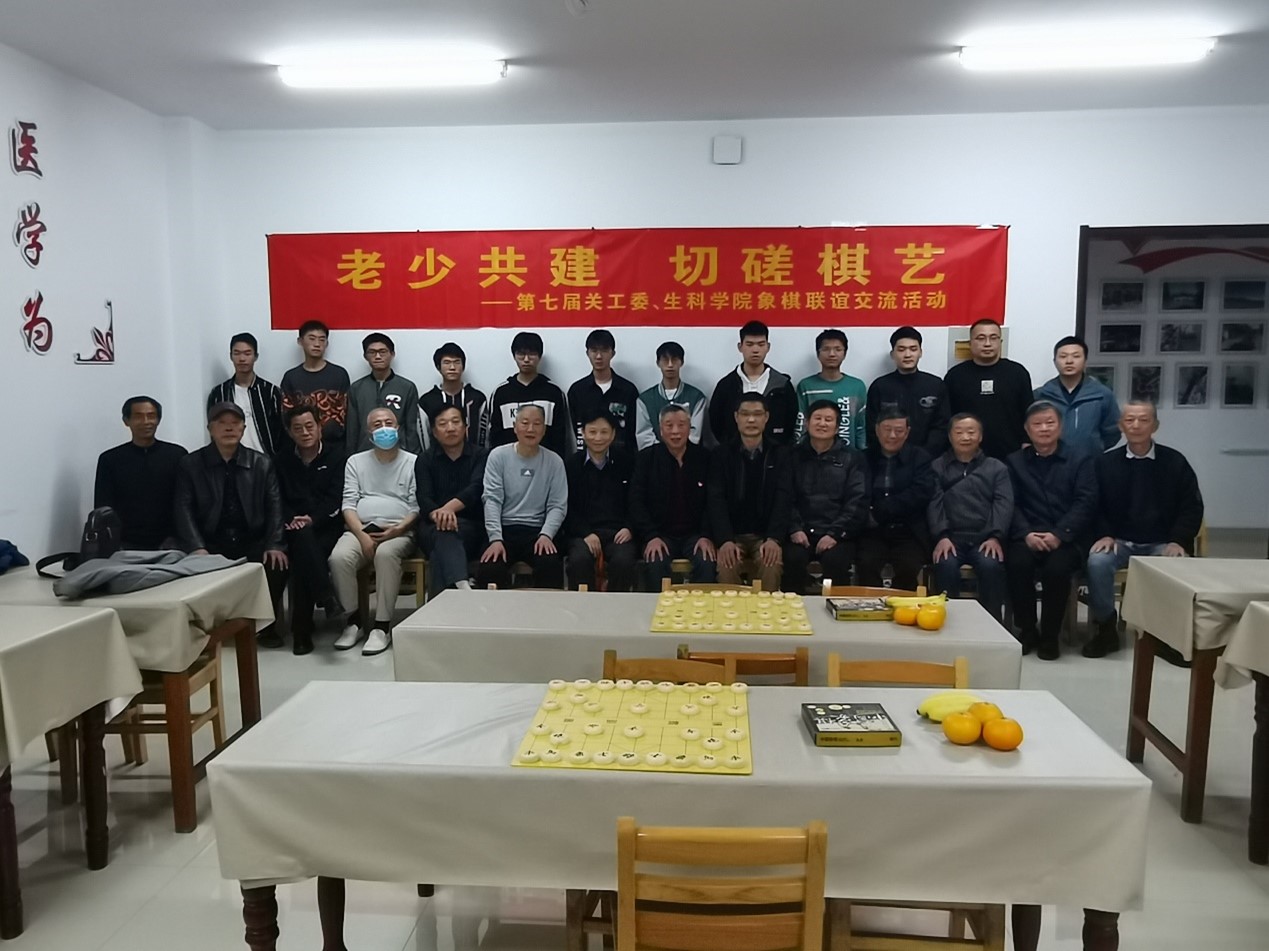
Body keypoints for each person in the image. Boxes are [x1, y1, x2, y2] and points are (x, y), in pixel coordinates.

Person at [1083, 401, 1204, 659]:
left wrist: (1178, 540)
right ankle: (1106, 628)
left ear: (1155, 425)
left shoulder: (1175, 462)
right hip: (1119, 541)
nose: (1136, 425)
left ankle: (1165, 636)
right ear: (1121, 425)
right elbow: (1093, 505)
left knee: (1178, 566)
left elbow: (1191, 507)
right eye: (1129, 420)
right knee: (1097, 562)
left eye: (1143, 420)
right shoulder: (1104, 463)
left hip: (1163, 542)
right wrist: (1104, 533)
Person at [174, 402, 287, 646]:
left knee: (277, 563)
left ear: (243, 429)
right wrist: (196, 546)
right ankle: (212, 628)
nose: (229, 428)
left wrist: (274, 543)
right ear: (210, 429)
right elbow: (183, 508)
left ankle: (266, 627)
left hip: (251, 539)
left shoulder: (261, 463)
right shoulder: (191, 464)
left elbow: (275, 506)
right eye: (222, 423)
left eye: (235, 423)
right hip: (211, 540)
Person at [1005, 400, 1098, 660]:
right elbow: (1010, 502)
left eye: (1050, 423)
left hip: (1066, 538)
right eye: (1037, 424)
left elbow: (1086, 501)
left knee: (1056, 570)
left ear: (1060, 426)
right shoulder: (1014, 462)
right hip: (1027, 535)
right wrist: (1026, 533)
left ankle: (1049, 636)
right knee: (1017, 563)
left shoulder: (1080, 459)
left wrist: (1059, 534)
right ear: (1027, 429)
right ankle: (1027, 630)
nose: (1044, 428)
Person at [329, 407, 419, 656]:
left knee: (385, 555)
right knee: (339, 558)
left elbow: (416, 506)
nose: (384, 428)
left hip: (399, 531)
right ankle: (354, 621)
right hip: (360, 529)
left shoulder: (413, 462)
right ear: (369, 433)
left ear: (398, 428)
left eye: (389, 423)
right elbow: (348, 504)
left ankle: (381, 627)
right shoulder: (355, 462)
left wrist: (398, 529)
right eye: (377, 425)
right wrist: (361, 535)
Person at [928, 413, 1013, 624]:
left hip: (984, 538)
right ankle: (946, 623)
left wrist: (995, 536)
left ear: (980, 436)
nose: (965, 437)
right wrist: (941, 535)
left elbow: (1003, 503)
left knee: (991, 566)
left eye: (971, 432)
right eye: (959, 432)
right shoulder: (937, 467)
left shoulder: (997, 468)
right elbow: (933, 503)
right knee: (945, 565)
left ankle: (991, 626)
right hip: (951, 538)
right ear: (950, 436)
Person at [274, 405, 345, 655]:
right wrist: (292, 520)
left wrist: (312, 519)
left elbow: (335, 498)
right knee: (303, 544)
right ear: (289, 432)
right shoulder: (281, 459)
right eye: (298, 428)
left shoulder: (337, 456)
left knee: (304, 555)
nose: (305, 432)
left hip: (325, 527)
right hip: (292, 528)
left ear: (319, 427)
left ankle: (301, 632)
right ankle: (325, 597)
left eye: (309, 426)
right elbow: (276, 498)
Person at [707, 394, 793, 591]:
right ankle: (731, 612)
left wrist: (774, 539)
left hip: (764, 535)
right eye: (745, 414)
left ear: (767, 417)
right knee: (726, 565)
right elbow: (715, 500)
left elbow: (783, 498)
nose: (751, 420)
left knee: (771, 564)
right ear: (736, 417)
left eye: (757, 414)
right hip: (732, 535)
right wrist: (725, 540)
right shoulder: (721, 454)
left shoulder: (780, 453)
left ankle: (766, 611)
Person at [478, 404, 568, 589]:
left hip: (538, 531)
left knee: (550, 564)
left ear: (544, 429)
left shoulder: (555, 461)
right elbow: (492, 500)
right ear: (514, 427)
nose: (530, 429)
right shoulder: (498, 456)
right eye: (525, 423)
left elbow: (557, 505)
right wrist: (495, 538)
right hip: (504, 529)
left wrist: (546, 534)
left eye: (537, 424)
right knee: (490, 567)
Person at [784, 400, 867, 593]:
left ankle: (834, 609)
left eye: (828, 420)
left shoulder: (853, 458)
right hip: (799, 533)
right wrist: (794, 528)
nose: (822, 424)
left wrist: (834, 534)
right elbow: (784, 497)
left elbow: (857, 501)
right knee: (792, 560)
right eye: (817, 418)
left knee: (836, 562)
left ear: (837, 427)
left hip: (837, 534)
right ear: (807, 423)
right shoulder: (791, 456)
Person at [630, 405, 717, 587]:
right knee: (655, 562)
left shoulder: (705, 458)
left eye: (681, 425)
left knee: (707, 562)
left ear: (690, 427)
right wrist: (651, 536)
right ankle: (659, 606)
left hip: (695, 535)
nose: (675, 431)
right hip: (660, 534)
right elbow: (636, 501)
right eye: (669, 425)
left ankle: (698, 606)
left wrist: (706, 535)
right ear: (661, 430)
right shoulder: (647, 458)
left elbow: (713, 502)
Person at [94, 396, 187, 550]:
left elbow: (186, 501)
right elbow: (103, 507)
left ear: (158, 420)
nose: (146, 422)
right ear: (126, 421)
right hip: (125, 544)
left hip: (171, 543)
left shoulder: (177, 455)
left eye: (151, 416)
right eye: (138, 416)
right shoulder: (110, 459)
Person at [857, 410, 936, 591]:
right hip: (872, 530)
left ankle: (902, 607)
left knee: (908, 567)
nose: (892, 435)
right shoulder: (863, 458)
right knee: (866, 564)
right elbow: (858, 492)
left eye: (899, 430)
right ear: (877, 430)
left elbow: (920, 493)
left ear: (907, 432)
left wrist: (881, 510)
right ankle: (870, 607)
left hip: (908, 529)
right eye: (887, 429)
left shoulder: (920, 457)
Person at [416, 404, 487, 597]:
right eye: (443, 423)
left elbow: (476, 488)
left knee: (439, 553)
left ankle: (444, 601)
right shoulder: (425, 459)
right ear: (434, 432)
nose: (450, 428)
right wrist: (439, 515)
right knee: (443, 533)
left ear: (465, 427)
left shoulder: (481, 455)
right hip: (432, 526)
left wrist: (448, 509)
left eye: (456, 422)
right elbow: (423, 497)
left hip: (471, 526)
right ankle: (462, 585)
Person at [564, 410, 637, 592]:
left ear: (613, 434)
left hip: (618, 532)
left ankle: (615, 605)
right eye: (592, 432)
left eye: (604, 432)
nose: (598, 438)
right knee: (579, 560)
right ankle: (582, 607)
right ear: (583, 433)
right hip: (583, 534)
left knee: (624, 561)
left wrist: (629, 527)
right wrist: (586, 533)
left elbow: (636, 500)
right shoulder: (571, 465)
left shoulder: (627, 463)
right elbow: (566, 507)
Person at [943, 318, 1033, 460]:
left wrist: (1027, 442)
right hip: (966, 455)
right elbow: (947, 417)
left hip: (1011, 454)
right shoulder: (955, 376)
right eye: (980, 338)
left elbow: (1028, 412)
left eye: (993, 338)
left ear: (1000, 342)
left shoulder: (1017, 373)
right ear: (970, 343)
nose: (987, 344)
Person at [708, 320, 797, 446]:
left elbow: (791, 421)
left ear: (768, 347)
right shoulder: (726, 385)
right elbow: (716, 422)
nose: (755, 350)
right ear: (740, 347)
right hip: (734, 454)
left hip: (775, 454)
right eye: (749, 344)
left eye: (761, 344)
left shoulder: (782, 385)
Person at [483, 331, 571, 457]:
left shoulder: (554, 393)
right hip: (508, 463)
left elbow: (561, 437)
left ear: (539, 356)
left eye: (532, 354)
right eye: (521, 354)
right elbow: (494, 436)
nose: (526, 359)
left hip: (545, 463)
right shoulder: (501, 393)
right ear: (514, 356)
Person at [866, 326, 951, 457]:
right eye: (901, 349)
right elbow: (872, 427)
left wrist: (924, 455)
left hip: (928, 459)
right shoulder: (880, 386)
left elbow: (942, 426)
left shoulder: (935, 385)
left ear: (920, 352)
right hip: (888, 458)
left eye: (913, 349)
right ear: (892, 354)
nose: (907, 355)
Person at [1033, 335, 1121, 459]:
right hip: (1050, 462)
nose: (1069, 361)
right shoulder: (1041, 395)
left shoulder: (1102, 395)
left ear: (1085, 361)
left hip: (1090, 463)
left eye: (1076, 356)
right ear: (1054, 361)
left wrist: (1095, 447)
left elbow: (1113, 432)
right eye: (1063, 356)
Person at [206, 333, 285, 456]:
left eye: (247, 354)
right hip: (230, 460)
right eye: (237, 353)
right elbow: (214, 429)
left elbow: (282, 430)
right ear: (231, 356)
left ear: (256, 356)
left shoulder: (270, 392)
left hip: (266, 460)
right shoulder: (219, 393)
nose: (242, 359)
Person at [345, 332, 422, 454]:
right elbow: (352, 429)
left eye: (382, 352)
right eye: (372, 352)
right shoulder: (356, 388)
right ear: (365, 356)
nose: (377, 356)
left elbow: (411, 428)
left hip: (399, 453)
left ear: (392, 354)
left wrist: (414, 456)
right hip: (365, 453)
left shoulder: (407, 387)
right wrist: (351, 456)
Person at [281, 320, 351, 450]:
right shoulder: (291, 377)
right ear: (300, 341)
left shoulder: (339, 374)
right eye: (312, 339)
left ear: (327, 344)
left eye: (322, 340)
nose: (317, 344)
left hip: (334, 447)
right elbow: (287, 416)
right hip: (301, 447)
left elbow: (345, 414)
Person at [567, 329, 640, 451]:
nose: (599, 356)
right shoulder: (577, 391)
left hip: (623, 458)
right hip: (588, 457)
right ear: (587, 353)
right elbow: (578, 428)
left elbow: (632, 431)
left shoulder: (628, 390)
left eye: (604, 350)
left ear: (613, 353)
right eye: (594, 350)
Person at [793, 329, 867, 448]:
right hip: (812, 453)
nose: (832, 354)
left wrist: (862, 452)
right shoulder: (806, 386)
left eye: (838, 349)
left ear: (845, 353)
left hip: (849, 455)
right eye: (826, 349)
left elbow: (861, 426)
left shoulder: (857, 386)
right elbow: (801, 424)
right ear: (818, 353)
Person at [634, 341, 708, 449]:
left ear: (681, 362)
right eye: (665, 360)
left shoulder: (697, 397)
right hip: (655, 457)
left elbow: (694, 436)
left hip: (688, 456)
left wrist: (678, 452)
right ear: (658, 363)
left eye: (674, 360)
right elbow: (644, 437)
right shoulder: (644, 400)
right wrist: (664, 454)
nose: (670, 365)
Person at [418, 342, 487, 448]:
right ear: (438, 367)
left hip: (473, 457)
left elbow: (484, 435)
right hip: (437, 457)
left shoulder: (477, 398)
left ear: (463, 367)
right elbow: (424, 439)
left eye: (457, 362)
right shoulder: (427, 401)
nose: (452, 367)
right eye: (446, 362)